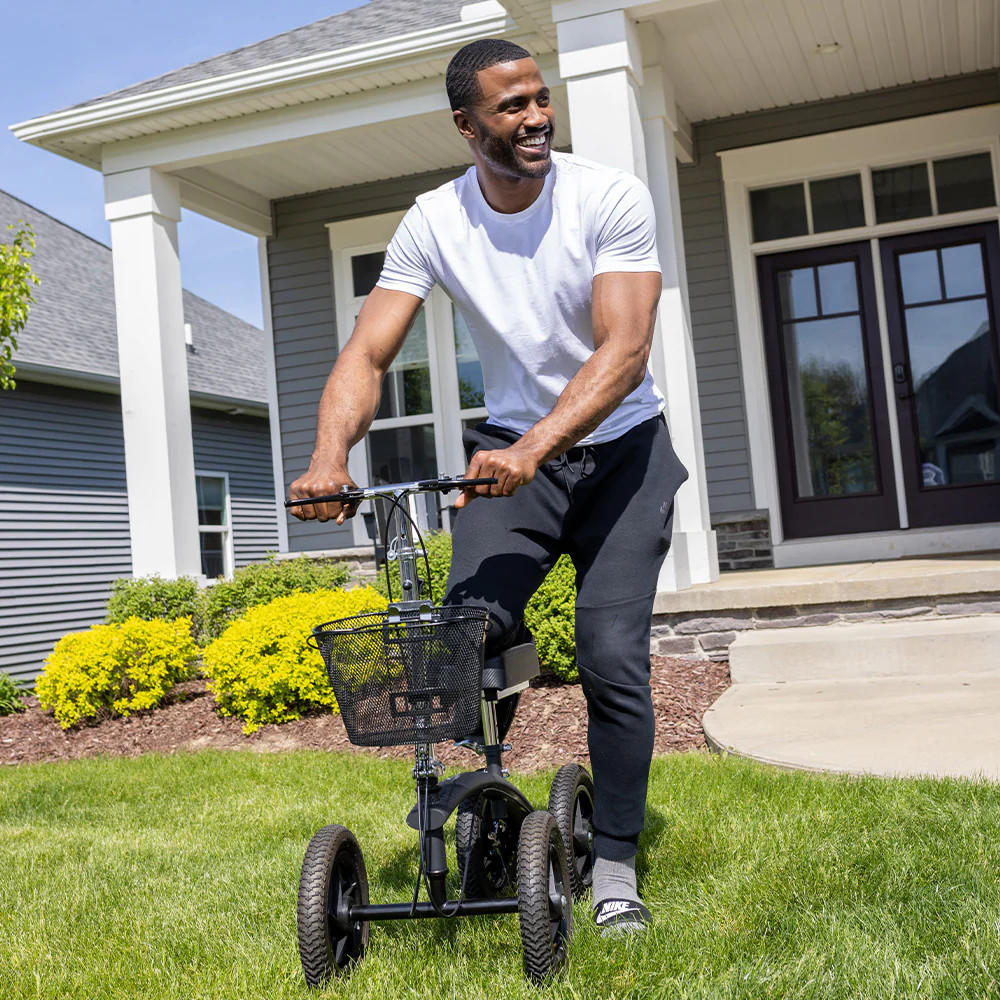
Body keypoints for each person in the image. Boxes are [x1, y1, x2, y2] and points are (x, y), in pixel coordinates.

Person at [288, 38, 688, 935]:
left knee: (609, 657)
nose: (537, 116)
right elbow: (368, 351)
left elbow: (623, 351)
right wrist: (329, 458)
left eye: (541, 99)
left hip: (620, 455)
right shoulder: (435, 219)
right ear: (468, 125)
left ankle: (615, 864)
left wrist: (537, 446)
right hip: (513, 458)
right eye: (512, 107)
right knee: (468, 632)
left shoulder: (608, 196)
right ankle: (490, 793)